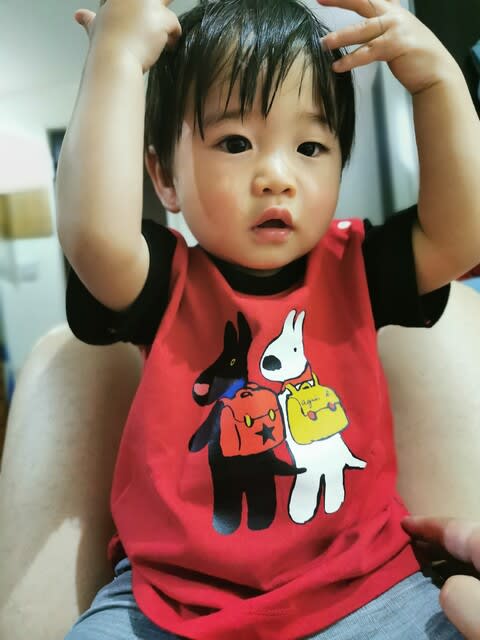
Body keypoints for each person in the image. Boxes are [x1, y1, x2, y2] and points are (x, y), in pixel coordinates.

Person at [54, 0, 480, 637]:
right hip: (170, 597)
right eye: (235, 143)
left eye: (310, 146)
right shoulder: (165, 281)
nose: (277, 176)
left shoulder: (357, 266)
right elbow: (93, 238)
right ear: (164, 176)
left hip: (365, 585)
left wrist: (438, 82)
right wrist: (116, 58)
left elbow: (462, 235)